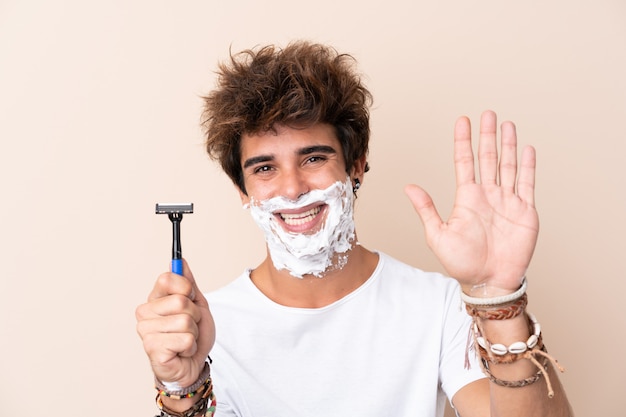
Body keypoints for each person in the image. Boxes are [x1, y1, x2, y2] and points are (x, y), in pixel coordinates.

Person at [136, 41, 572, 417]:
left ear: (356, 164)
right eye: (265, 167)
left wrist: (500, 301)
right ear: (243, 190)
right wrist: (181, 391)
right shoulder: (206, 327)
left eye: (314, 158)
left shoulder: (436, 307)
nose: (292, 188)